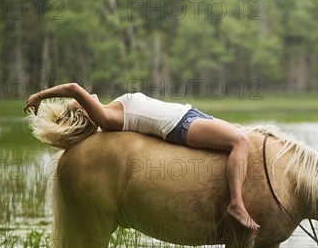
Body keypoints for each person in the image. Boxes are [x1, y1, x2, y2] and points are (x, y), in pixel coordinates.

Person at [24, 82, 260, 231]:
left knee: (243, 138)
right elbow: (74, 88)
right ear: (84, 113)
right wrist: (39, 95)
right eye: (77, 104)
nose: (80, 98)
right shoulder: (104, 117)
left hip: (188, 114)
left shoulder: (109, 109)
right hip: (178, 125)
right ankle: (236, 204)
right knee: (240, 141)